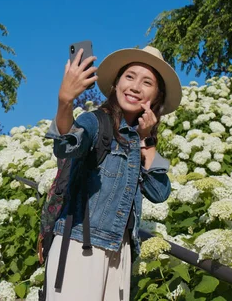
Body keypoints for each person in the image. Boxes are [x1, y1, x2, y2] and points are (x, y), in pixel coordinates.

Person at [43, 45, 183, 300]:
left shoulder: (136, 140)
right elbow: (66, 145)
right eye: (129, 77)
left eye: (147, 82)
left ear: (157, 96)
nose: (135, 87)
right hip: (81, 247)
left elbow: (160, 192)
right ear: (116, 84)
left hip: (120, 252)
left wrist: (146, 139)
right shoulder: (94, 121)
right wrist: (65, 102)